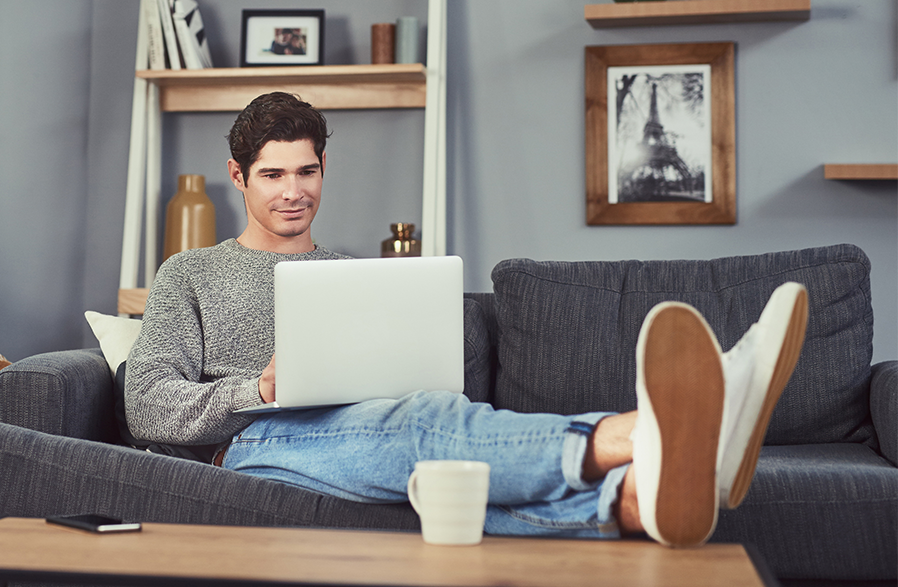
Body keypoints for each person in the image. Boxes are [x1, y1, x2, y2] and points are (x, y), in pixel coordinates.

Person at [124, 91, 807, 547]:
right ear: (238, 177)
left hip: (355, 434)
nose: (295, 192)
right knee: (421, 424)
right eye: (273, 176)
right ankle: (650, 433)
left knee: (439, 470)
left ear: (325, 166)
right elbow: (149, 407)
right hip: (246, 451)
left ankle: (636, 502)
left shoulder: (356, 275)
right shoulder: (189, 272)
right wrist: (262, 391)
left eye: (307, 171)